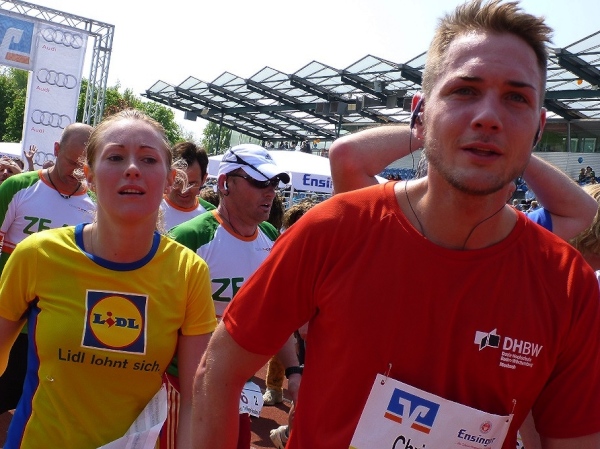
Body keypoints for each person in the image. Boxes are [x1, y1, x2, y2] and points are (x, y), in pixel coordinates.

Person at [190, 2, 600, 448]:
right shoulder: (332, 229)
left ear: (539, 126)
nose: (489, 117)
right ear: (419, 113)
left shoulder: (568, 286)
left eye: (516, 98)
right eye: (464, 90)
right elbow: (218, 370)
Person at [0, 109, 217, 448]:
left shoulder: (189, 271)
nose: (132, 168)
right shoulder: (37, 254)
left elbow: (194, 400)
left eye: (148, 159)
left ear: (169, 179)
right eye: (115, 157)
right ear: (88, 175)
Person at [170, 144, 300, 449]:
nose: (270, 192)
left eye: (274, 183)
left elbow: (275, 313)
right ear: (225, 183)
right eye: (258, 182)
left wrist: (294, 371)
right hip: (180, 384)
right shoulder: (189, 238)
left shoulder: (271, 237)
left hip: (238, 384)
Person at [0, 123, 97, 418]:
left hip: (57, 328)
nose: (76, 172)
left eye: (84, 166)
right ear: (56, 149)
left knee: (37, 409)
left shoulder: (95, 206)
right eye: (71, 162)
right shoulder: (17, 187)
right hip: (9, 319)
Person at [161, 141, 215, 232]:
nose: (184, 190)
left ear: (204, 179)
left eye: (191, 184)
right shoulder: (151, 208)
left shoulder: (211, 218)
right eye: (178, 181)